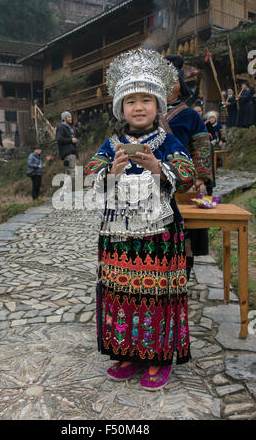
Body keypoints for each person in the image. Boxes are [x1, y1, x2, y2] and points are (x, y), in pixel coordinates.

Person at [85, 48, 196, 391]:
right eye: (130, 100)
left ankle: (158, 357)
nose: (138, 106)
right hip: (120, 238)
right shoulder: (112, 143)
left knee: (157, 294)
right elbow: (90, 172)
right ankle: (128, 351)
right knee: (121, 292)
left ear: (158, 105)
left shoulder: (166, 141)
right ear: (121, 107)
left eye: (146, 99)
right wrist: (109, 171)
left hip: (160, 237)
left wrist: (157, 167)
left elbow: (187, 171)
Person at [164, 55, 213, 280]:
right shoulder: (145, 112)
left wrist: (200, 178)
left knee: (185, 231)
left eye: (173, 80)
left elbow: (202, 146)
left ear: (180, 85)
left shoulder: (190, 115)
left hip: (183, 181)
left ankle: (182, 275)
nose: (168, 85)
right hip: (154, 182)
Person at [56, 111, 78, 179]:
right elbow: (59, 139)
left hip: (72, 154)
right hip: (68, 154)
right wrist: (71, 140)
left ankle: (67, 189)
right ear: (64, 118)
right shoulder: (61, 127)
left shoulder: (68, 128)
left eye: (71, 117)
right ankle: (69, 189)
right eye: (69, 117)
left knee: (72, 175)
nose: (71, 118)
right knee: (72, 176)